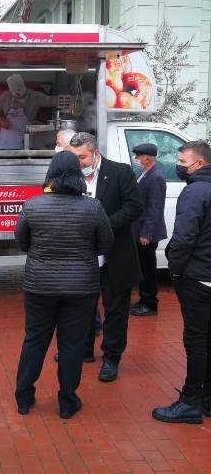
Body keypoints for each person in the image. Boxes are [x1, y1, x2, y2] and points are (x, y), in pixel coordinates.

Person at [15, 151, 113, 419]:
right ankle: (68, 402)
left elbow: (22, 241)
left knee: (35, 340)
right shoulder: (93, 207)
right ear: (78, 174)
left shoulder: (33, 205)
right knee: (71, 345)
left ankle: (24, 397)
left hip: (39, 285)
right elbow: (106, 243)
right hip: (81, 288)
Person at [67, 132, 142, 382]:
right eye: (74, 157)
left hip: (115, 255)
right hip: (82, 256)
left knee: (115, 310)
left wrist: (103, 225)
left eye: (82, 157)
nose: (78, 163)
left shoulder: (120, 172)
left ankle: (111, 357)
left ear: (95, 153)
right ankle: (84, 349)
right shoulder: (68, 175)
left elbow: (134, 207)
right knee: (82, 307)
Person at [153, 140, 211, 424]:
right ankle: (207, 399)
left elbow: (185, 236)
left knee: (196, 341)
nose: (177, 165)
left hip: (196, 278)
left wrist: (175, 270)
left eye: (182, 161)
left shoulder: (195, 191)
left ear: (200, 163)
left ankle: (190, 402)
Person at [130, 143, 167, 317]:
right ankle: (144, 300)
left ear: (148, 157)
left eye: (138, 156)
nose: (136, 159)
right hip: (140, 231)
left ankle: (150, 304)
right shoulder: (144, 174)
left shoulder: (156, 177)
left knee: (148, 269)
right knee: (143, 268)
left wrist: (146, 233)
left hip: (146, 234)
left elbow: (155, 209)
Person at [0, 74, 69, 149]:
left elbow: (50, 101)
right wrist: (1, 120)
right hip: (5, 141)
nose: (17, 93)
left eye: (19, 90)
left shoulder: (34, 96)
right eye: (14, 91)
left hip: (25, 139)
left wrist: (69, 101)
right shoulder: (6, 96)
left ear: (24, 86)